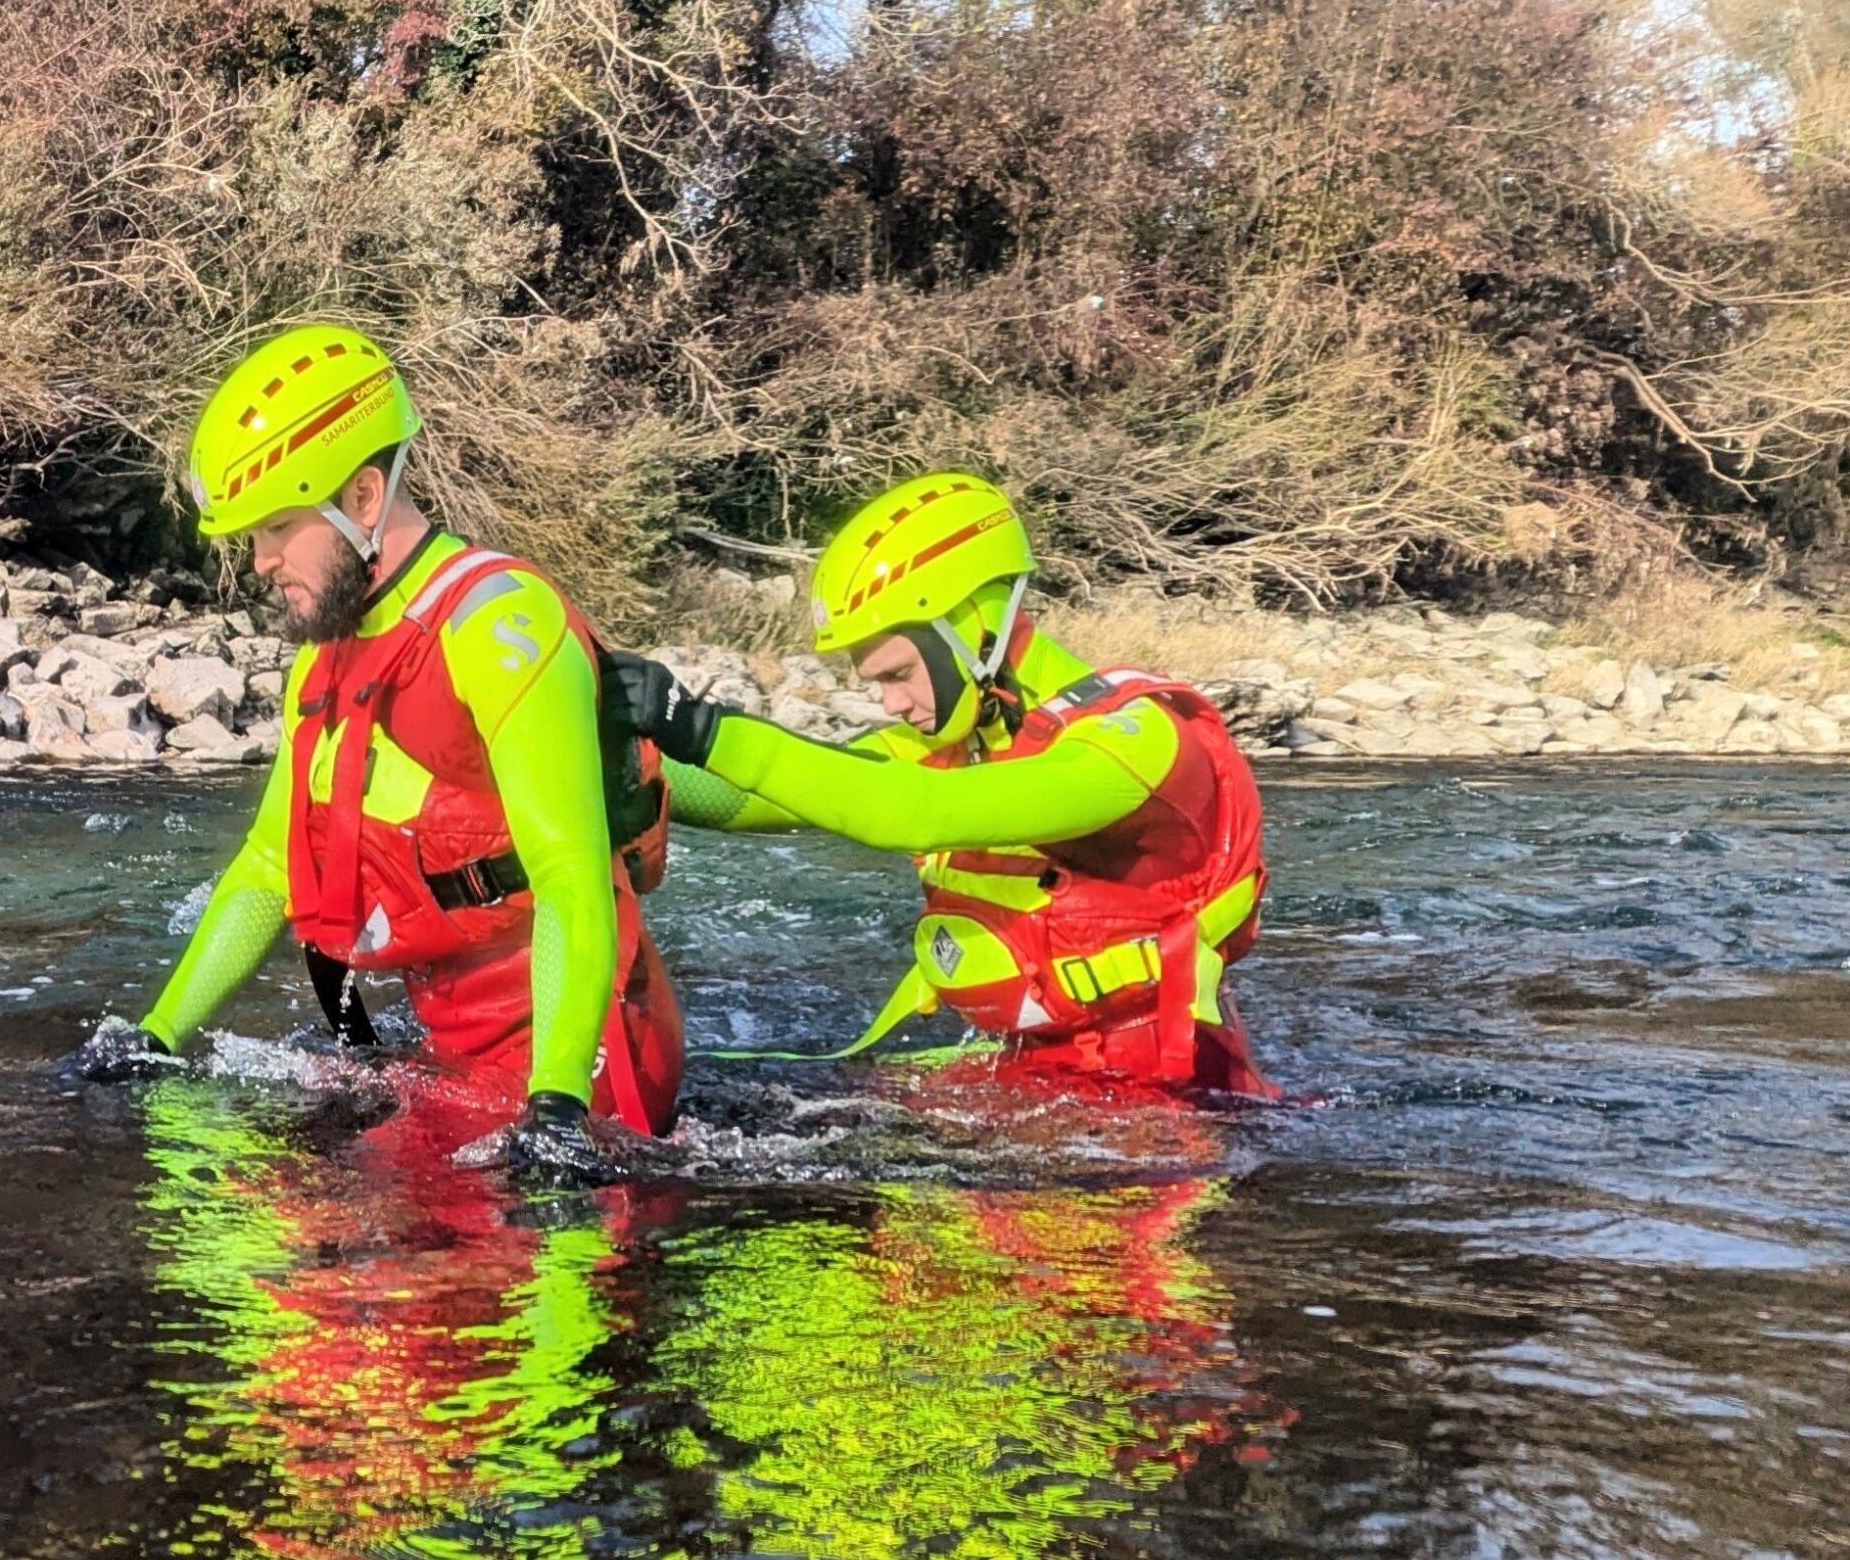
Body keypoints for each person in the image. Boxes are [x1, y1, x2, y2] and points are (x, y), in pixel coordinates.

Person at [78, 324, 683, 1148]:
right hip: (458, 1048)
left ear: (364, 497)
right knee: (224, 1202)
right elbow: (269, 866)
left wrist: (556, 1110)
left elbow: (570, 881)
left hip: (583, 1056)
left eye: (277, 527)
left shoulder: (497, 625)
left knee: (323, 1217)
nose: (259, 562)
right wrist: (157, 1036)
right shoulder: (324, 659)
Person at [605, 472, 1273, 1098]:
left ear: (975, 628)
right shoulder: (962, 740)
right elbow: (747, 797)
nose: (891, 704)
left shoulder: (1139, 744)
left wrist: (696, 724)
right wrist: (620, 753)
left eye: (898, 674)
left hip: (1170, 1097)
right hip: (1038, 1073)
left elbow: (914, 811)